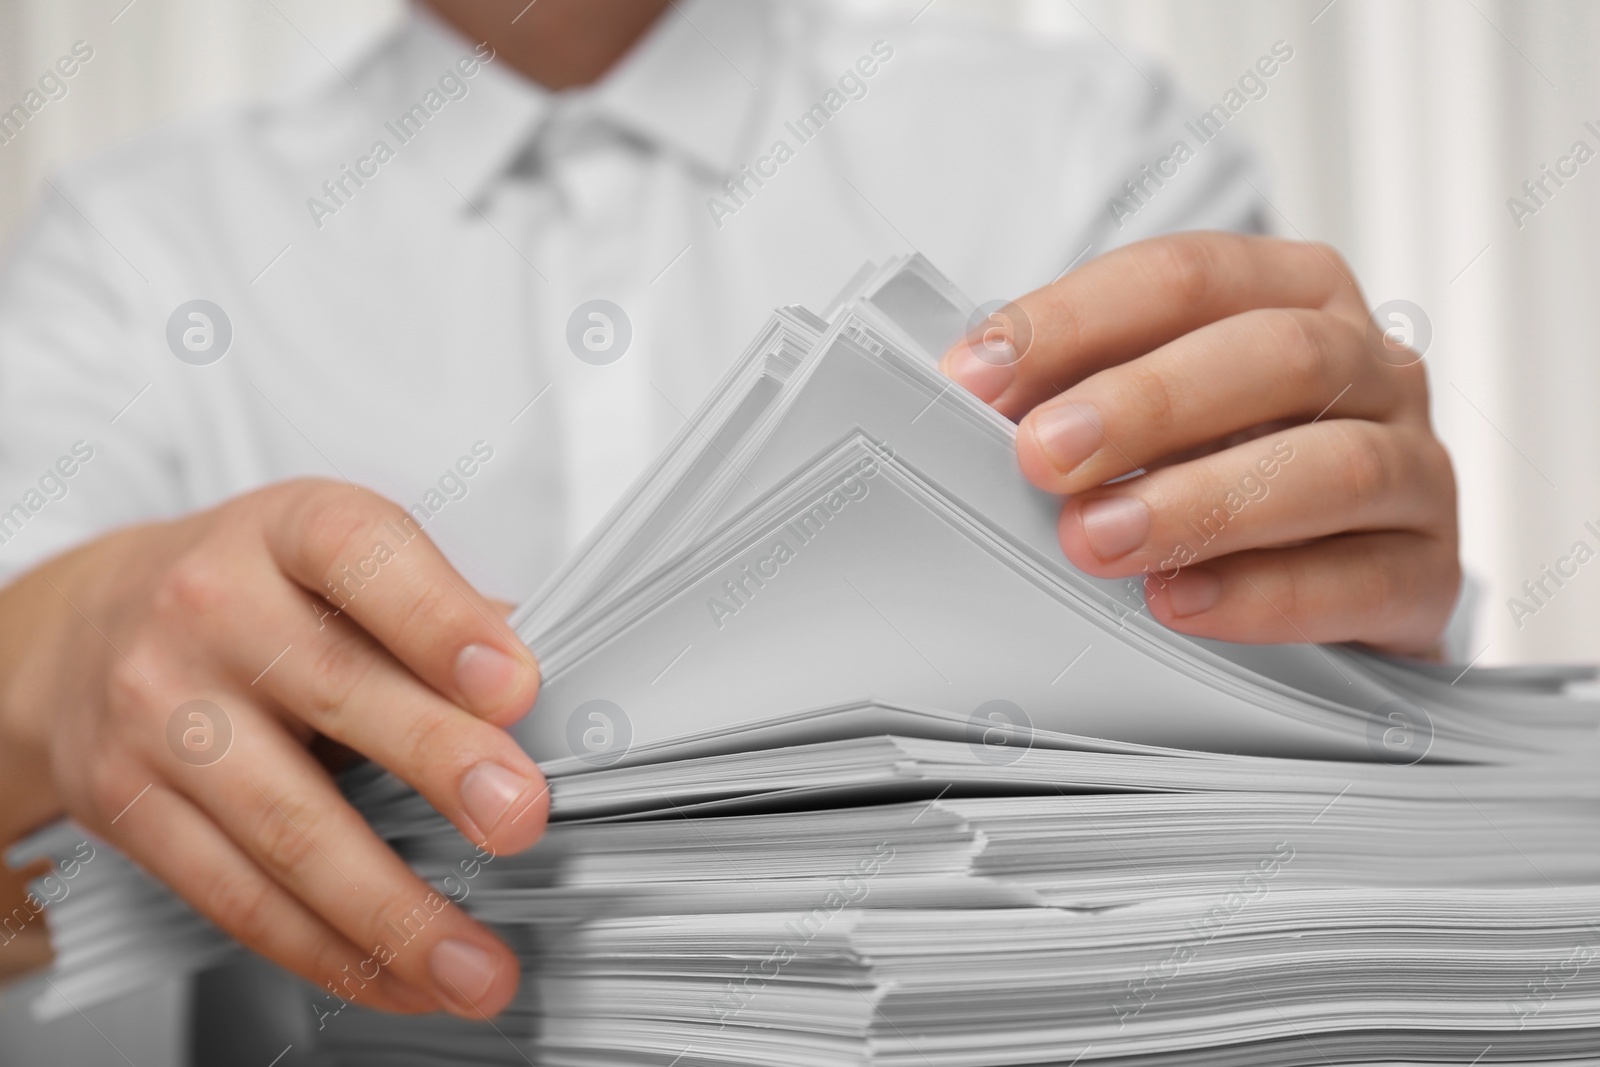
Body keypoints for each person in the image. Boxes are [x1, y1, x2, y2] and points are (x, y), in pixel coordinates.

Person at [0, 0, 1459, 1024]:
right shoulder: (135, 240)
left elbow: (1327, 696)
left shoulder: (1082, 141)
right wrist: (67, 643)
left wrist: (1352, 610)